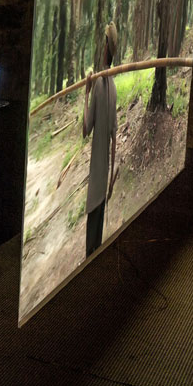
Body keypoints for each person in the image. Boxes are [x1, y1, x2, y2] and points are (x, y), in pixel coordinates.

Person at [81, 23, 118, 257]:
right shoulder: (113, 87)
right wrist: (111, 177)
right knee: (98, 236)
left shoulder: (98, 86)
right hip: (103, 175)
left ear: (104, 49)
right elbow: (115, 139)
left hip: (97, 174)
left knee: (90, 240)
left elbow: (86, 129)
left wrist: (86, 94)